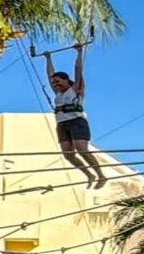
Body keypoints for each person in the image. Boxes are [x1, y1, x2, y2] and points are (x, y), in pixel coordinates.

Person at [43, 44, 106, 188]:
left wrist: (79, 52)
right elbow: (49, 75)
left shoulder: (76, 89)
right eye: (54, 83)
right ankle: (88, 175)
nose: (56, 84)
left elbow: (78, 70)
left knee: (82, 149)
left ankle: (101, 176)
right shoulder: (58, 93)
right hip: (62, 124)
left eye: (58, 81)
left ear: (66, 80)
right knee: (68, 154)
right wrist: (48, 58)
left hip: (77, 121)